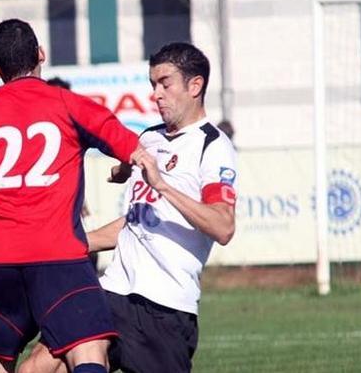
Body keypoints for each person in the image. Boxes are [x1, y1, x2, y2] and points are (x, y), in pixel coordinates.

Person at [0, 19, 147, 373]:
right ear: (41, 54)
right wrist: (125, 167)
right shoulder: (69, 104)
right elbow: (134, 148)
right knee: (88, 349)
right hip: (58, 255)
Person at [19, 42, 238, 373]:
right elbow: (139, 221)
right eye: (153, 85)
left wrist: (162, 184)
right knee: (36, 368)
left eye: (165, 83)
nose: (156, 94)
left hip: (164, 308)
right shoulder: (148, 140)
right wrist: (79, 241)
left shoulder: (213, 146)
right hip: (112, 290)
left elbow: (223, 226)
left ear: (195, 86)